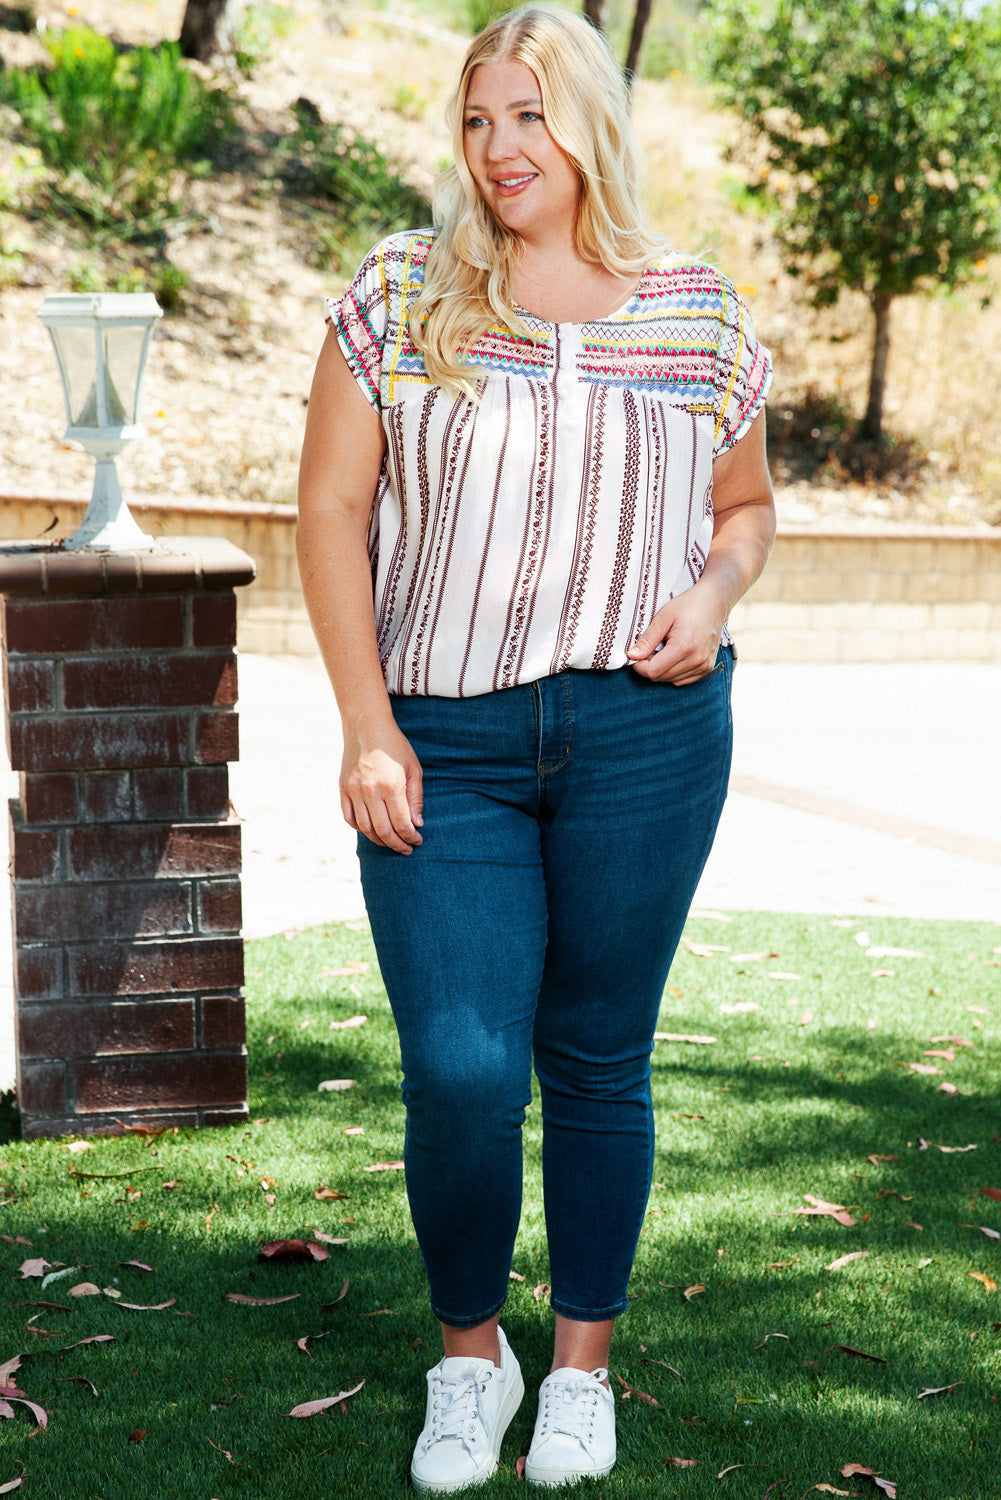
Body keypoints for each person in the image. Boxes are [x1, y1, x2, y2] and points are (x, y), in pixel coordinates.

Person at [296, 4, 774, 1490]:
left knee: (595, 1059)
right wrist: (365, 724)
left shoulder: (692, 311)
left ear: (587, 128)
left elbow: (745, 509)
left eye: (529, 117)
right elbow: (325, 513)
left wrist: (710, 595)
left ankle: (578, 1370)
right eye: (478, 119)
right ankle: (466, 1358)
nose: (500, 149)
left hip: (645, 733)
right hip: (445, 736)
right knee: (455, 1067)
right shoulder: (398, 292)